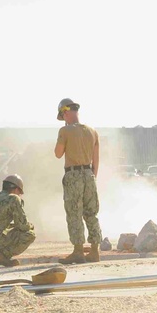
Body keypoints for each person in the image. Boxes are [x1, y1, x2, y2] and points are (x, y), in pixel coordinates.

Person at [54, 97, 102, 263]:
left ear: (65, 112)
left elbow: (58, 153)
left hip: (73, 175)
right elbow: (96, 161)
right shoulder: (92, 131)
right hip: (89, 175)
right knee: (91, 213)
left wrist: (65, 134)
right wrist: (91, 177)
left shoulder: (65, 131)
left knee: (74, 213)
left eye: (62, 115)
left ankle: (78, 251)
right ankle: (95, 251)